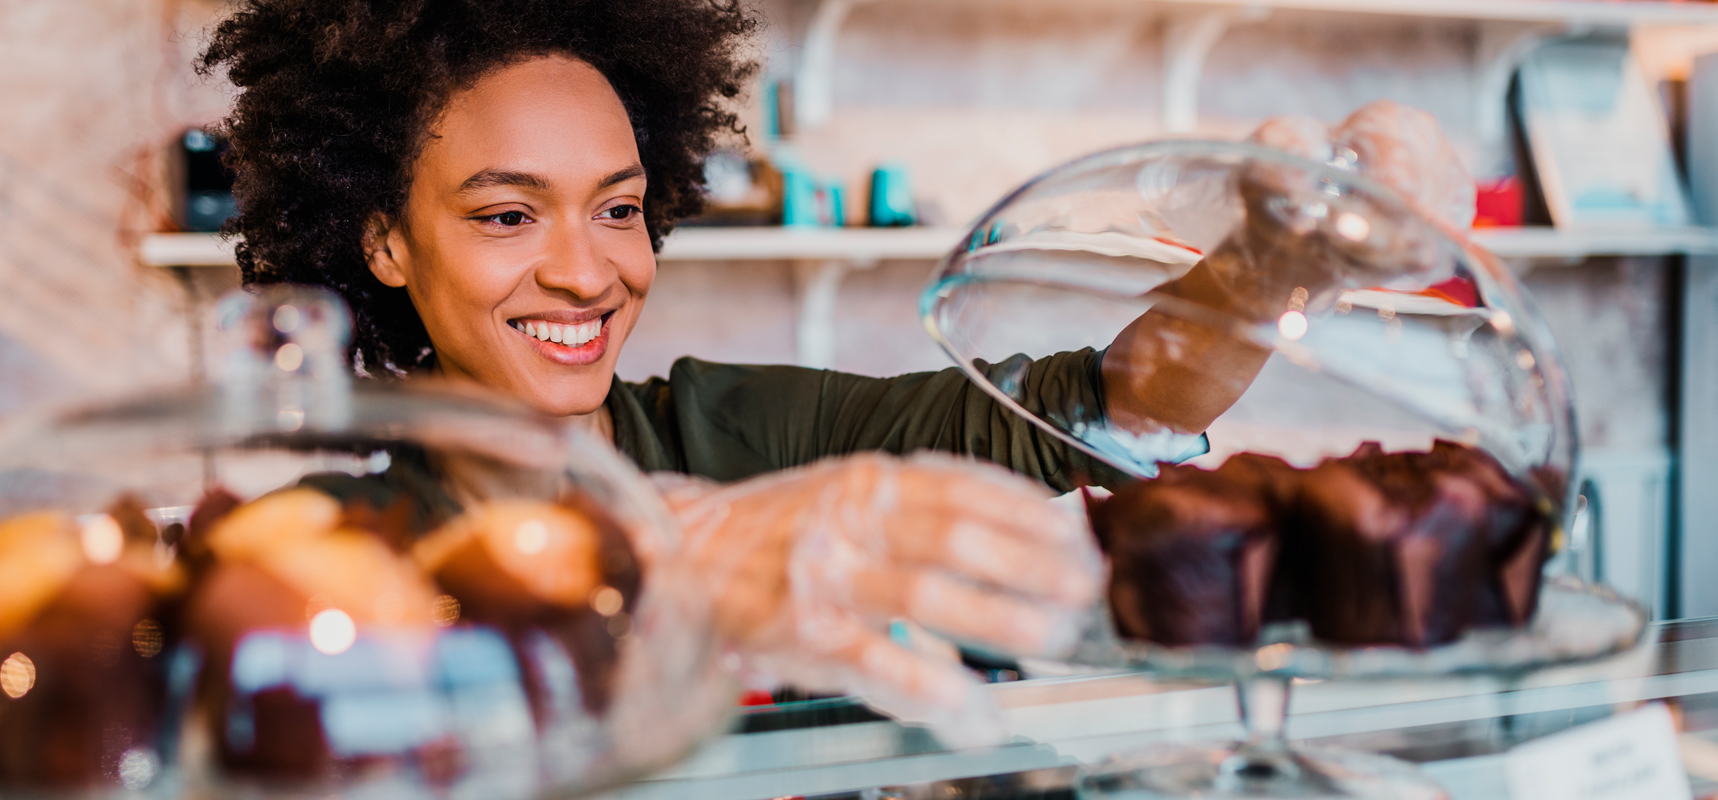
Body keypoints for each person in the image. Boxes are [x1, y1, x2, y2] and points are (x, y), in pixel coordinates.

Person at [199, 0, 1474, 739]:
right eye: (505, 216)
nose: (587, 274)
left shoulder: (734, 424)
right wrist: (676, 565)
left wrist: (1272, 260)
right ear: (382, 237)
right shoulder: (316, 536)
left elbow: (1092, 412)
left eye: (619, 207)